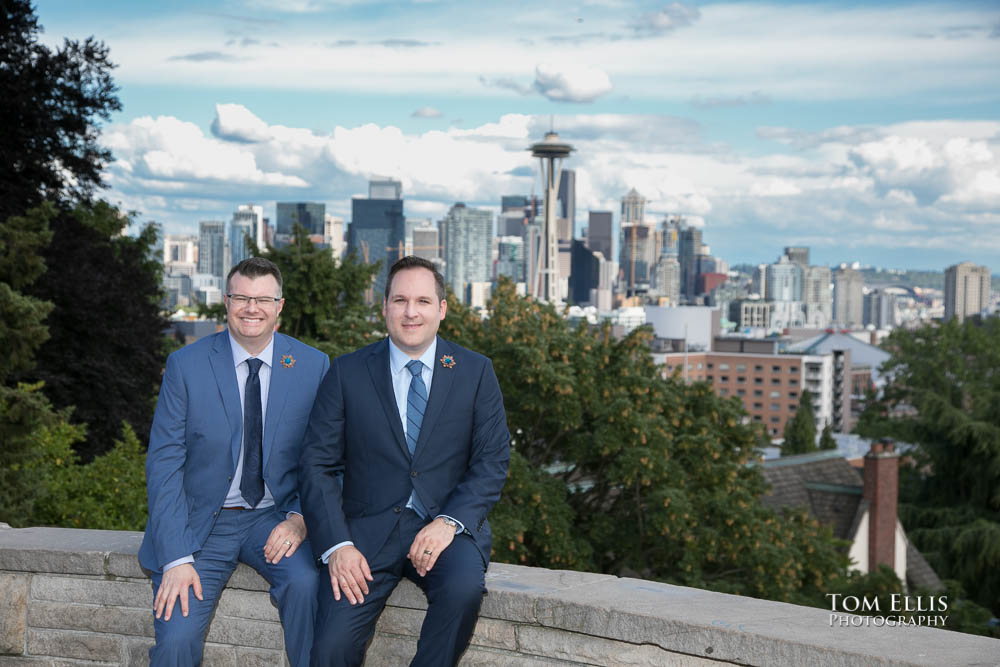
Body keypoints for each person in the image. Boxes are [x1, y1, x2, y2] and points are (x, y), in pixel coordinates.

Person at [299, 255, 510, 666]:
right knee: (330, 649)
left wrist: (450, 522)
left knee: (464, 590)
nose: (411, 312)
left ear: (442, 309)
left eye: (423, 301)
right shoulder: (347, 372)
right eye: (399, 300)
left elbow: (491, 461)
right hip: (362, 536)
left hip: (444, 528)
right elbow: (316, 465)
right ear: (384, 308)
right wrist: (337, 545)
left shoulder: (475, 371)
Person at [138, 257, 329, 666]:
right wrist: (175, 557)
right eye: (241, 297)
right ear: (226, 302)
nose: (251, 308)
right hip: (200, 525)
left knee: (307, 587)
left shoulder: (312, 366)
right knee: (175, 639)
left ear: (280, 305)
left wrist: (300, 517)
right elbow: (164, 464)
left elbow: (327, 458)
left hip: (274, 518)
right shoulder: (185, 366)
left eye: (262, 299)